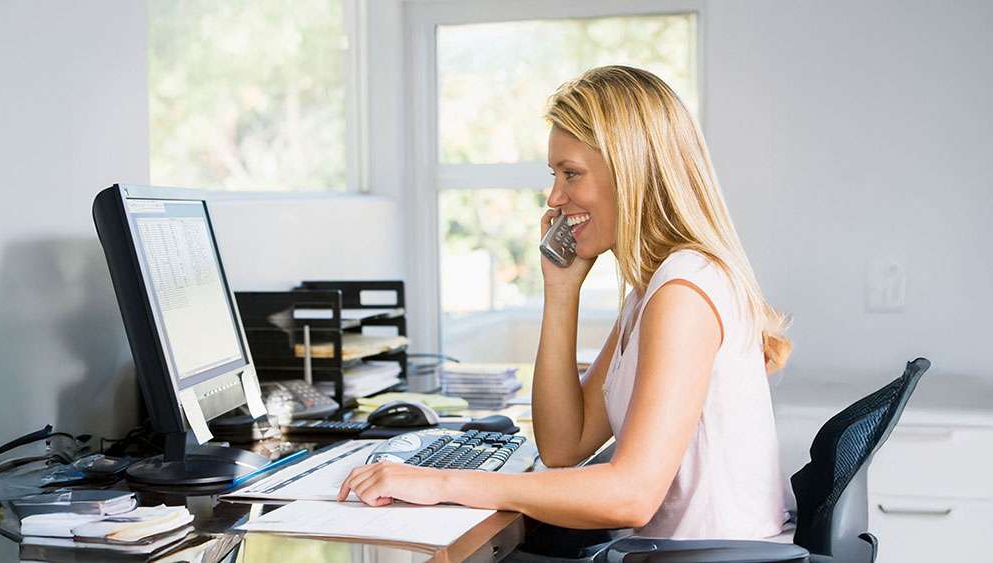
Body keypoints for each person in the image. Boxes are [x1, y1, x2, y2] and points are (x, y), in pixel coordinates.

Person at [339, 65, 793, 540]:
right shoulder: (654, 288)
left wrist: (447, 482)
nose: (555, 197)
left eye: (571, 174)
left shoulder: (684, 293)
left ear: (631, 173)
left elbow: (631, 495)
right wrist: (561, 292)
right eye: (555, 175)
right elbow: (564, 446)